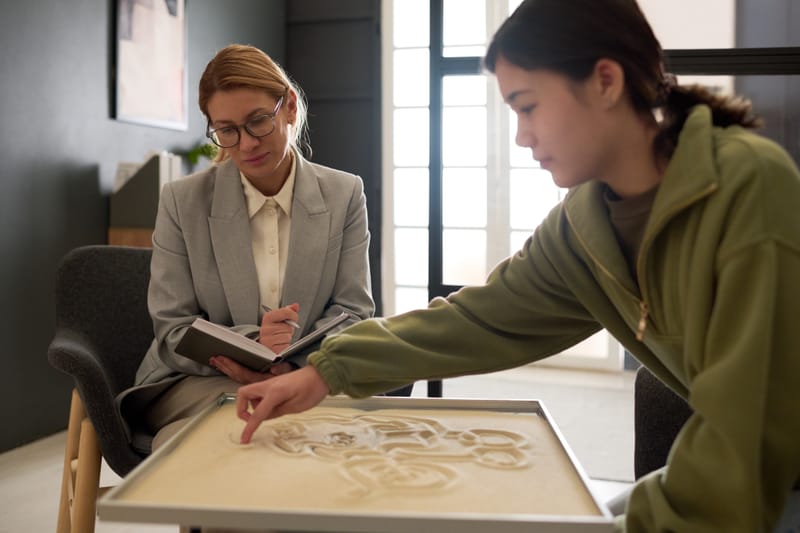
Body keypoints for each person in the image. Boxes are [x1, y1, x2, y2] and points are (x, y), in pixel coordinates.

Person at [234, 1, 800, 531]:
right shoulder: (585, 224)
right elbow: (479, 319)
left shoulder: (748, 189)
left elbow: (743, 455)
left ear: (606, 81)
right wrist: (326, 371)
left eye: (528, 106)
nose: (523, 136)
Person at [116, 44, 377, 449]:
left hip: (305, 375)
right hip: (194, 382)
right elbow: (173, 331)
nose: (246, 144)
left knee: (329, 437)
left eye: (258, 121)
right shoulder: (182, 202)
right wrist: (254, 344)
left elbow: (352, 313)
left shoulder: (344, 194)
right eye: (227, 130)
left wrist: (291, 366)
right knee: (235, 438)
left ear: (289, 107)